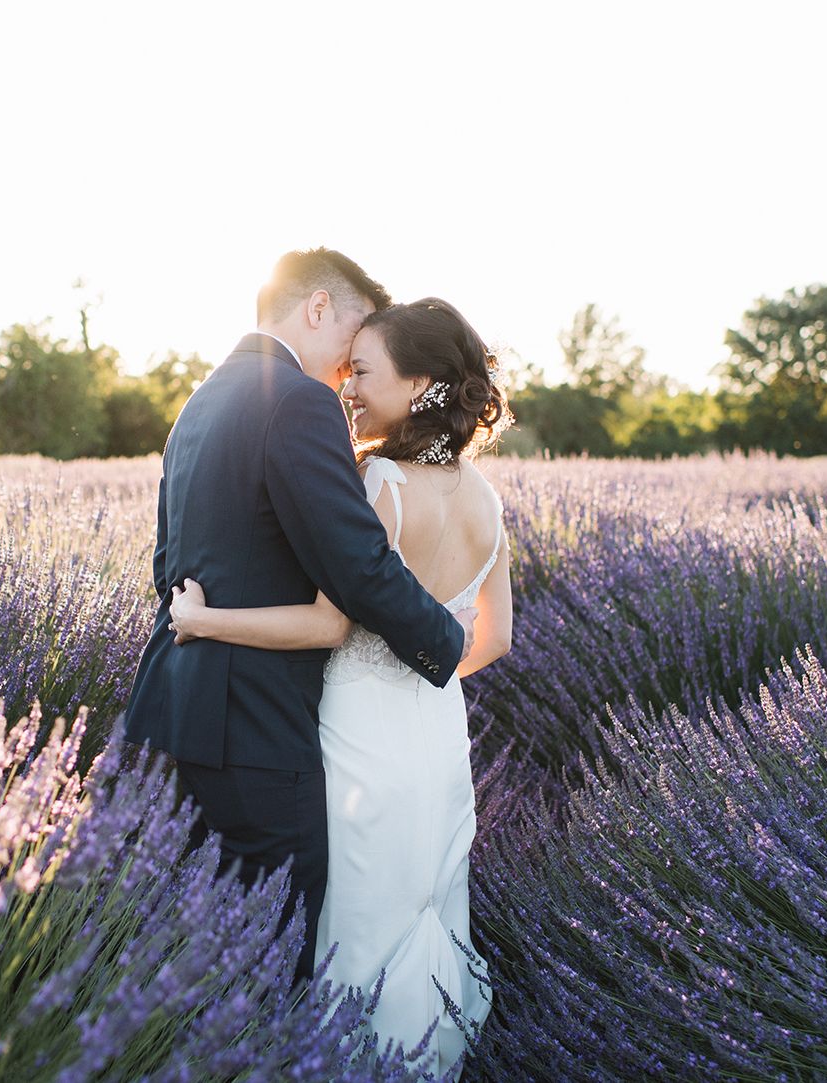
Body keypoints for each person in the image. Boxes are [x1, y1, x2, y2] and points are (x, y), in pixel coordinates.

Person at [167, 297, 513, 1079]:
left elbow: (328, 626)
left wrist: (205, 618)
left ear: (420, 383)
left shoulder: (379, 477)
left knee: (356, 918)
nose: (346, 386)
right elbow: (493, 639)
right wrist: (414, 679)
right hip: (436, 739)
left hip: (361, 739)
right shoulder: (488, 499)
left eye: (362, 371)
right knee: (423, 905)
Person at [119, 250, 476, 989]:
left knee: (174, 957)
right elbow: (359, 564)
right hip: (256, 730)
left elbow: (167, 568)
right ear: (317, 307)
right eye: (349, 343)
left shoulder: (200, 400)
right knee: (271, 961)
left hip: (169, 708)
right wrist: (446, 641)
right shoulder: (296, 399)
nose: (347, 370)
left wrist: (205, 620)